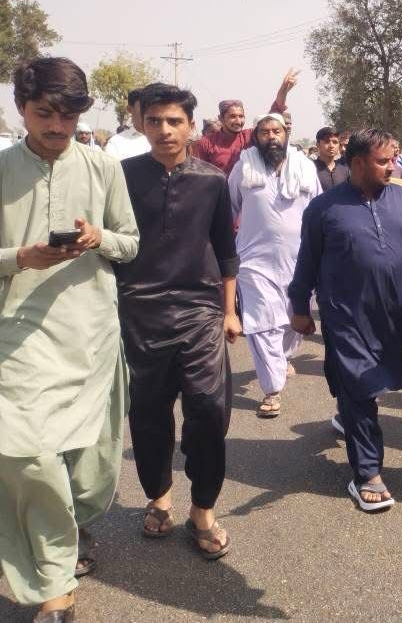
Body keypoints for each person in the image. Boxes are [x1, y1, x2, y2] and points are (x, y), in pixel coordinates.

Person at [0, 58, 139, 623]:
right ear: (21, 109)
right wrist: (20, 257)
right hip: (19, 335)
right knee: (27, 454)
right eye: (44, 115)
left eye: (68, 116)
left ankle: (65, 532)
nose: (56, 128)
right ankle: (53, 584)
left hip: (90, 333)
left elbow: (130, 243)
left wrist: (96, 235)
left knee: (89, 468)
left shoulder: (103, 166)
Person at [288, 128, 402, 512]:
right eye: (383, 161)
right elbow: (306, 263)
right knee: (361, 386)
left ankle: (347, 409)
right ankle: (367, 473)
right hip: (345, 316)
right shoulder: (324, 209)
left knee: (360, 383)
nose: (392, 166)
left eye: (394, 158)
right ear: (358, 163)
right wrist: (298, 308)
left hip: (392, 315)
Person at [116, 83, 241, 561]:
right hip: (139, 310)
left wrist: (230, 311)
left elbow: (226, 252)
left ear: (191, 125)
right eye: (154, 121)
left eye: (174, 121)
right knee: (148, 415)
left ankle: (203, 509)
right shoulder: (123, 176)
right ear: (141, 124)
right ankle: (160, 499)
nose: (164, 130)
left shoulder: (212, 180)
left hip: (200, 310)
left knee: (209, 410)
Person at [230, 113, 321, 417]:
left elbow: (320, 211)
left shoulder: (305, 167)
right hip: (254, 262)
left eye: (276, 131)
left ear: (286, 134)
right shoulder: (244, 167)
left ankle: (280, 359)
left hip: (300, 260)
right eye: (265, 131)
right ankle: (272, 390)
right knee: (260, 324)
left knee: (293, 319)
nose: (271, 136)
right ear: (256, 136)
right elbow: (228, 209)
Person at [193, 68, 298, 176]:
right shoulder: (206, 143)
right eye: (232, 116)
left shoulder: (249, 136)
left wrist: (283, 90)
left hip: (247, 190)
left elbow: (272, 115)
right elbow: (199, 176)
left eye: (241, 116)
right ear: (221, 118)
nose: (238, 121)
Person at [104, 88, 152, 160]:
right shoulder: (116, 143)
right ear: (129, 109)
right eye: (143, 107)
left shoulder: (165, 139)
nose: (148, 111)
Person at [314, 126, 349, 192]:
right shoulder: (310, 169)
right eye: (327, 142)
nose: (331, 146)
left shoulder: (344, 170)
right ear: (318, 144)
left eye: (335, 142)